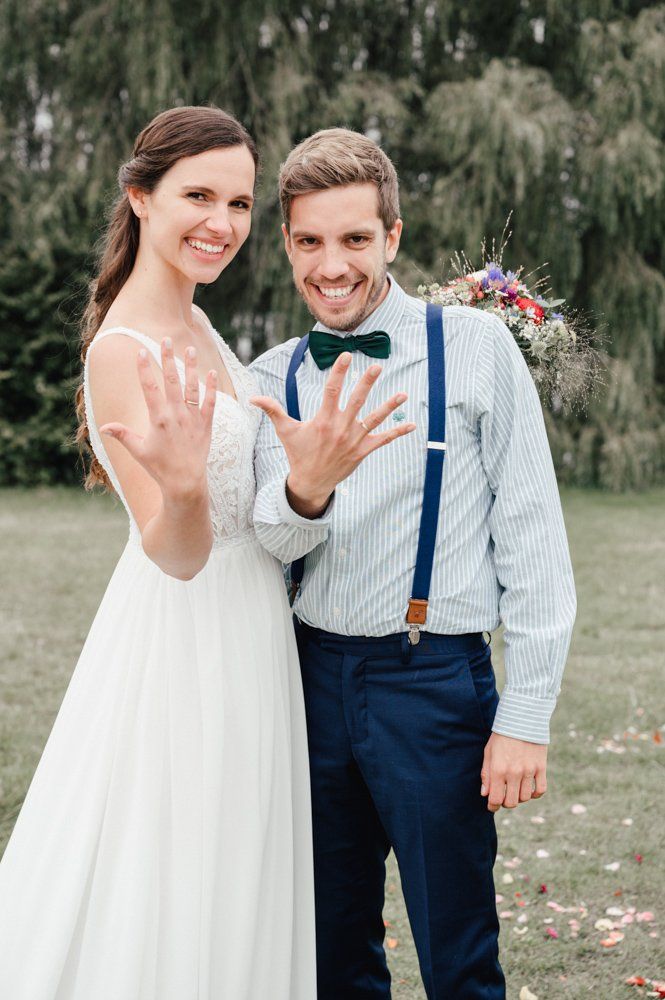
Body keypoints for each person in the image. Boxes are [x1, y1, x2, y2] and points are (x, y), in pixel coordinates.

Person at [0, 105, 339, 1000]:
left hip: (252, 625)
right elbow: (175, 553)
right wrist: (185, 490)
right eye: (198, 195)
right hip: (185, 637)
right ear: (140, 196)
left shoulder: (202, 329)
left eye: (238, 202)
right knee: (177, 859)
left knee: (236, 853)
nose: (222, 224)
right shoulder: (124, 346)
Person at [249, 128, 577, 999]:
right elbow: (266, 548)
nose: (332, 265)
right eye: (310, 241)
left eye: (355, 239)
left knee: (457, 949)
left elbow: (534, 540)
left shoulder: (474, 346)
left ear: (391, 237)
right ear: (287, 245)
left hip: (433, 683)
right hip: (309, 684)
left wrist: (526, 715)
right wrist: (305, 492)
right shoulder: (271, 377)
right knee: (329, 947)